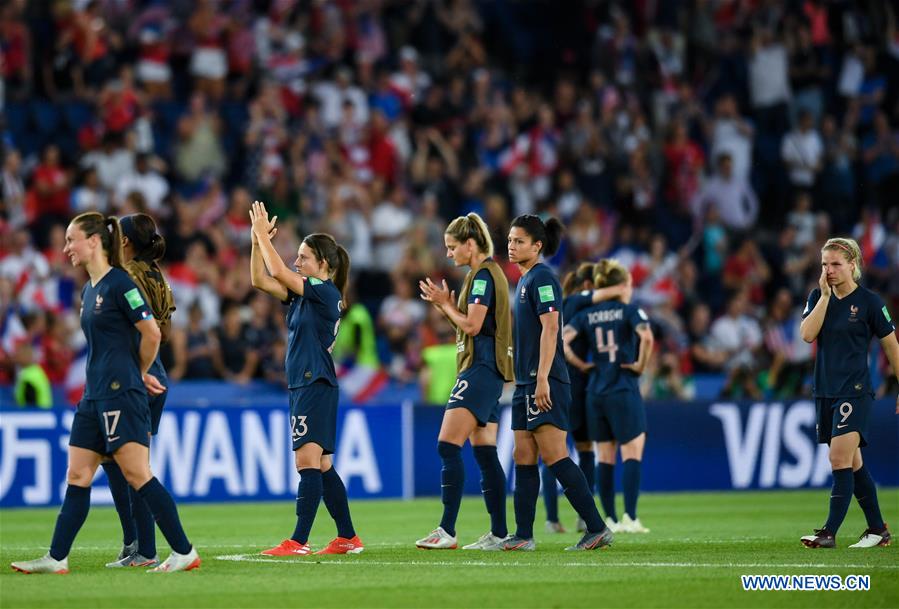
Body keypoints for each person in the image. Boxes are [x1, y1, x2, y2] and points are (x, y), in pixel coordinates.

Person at [11, 212, 199, 574]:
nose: (66, 247)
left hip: (119, 393)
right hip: (93, 394)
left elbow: (153, 333)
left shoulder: (120, 284)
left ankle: (183, 550)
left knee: (137, 475)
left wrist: (139, 372)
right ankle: (56, 557)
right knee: (78, 475)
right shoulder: (90, 288)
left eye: (71, 239)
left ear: (94, 242)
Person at [249, 200, 363, 556]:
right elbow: (259, 279)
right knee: (323, 464)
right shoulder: (305, 297)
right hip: (306, 382)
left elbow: (279, 272)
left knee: (306, 462)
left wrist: (264, 239)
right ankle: (347, 537)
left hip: (314, 382)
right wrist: (256, 242)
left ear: (324, 265)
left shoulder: (326, 293)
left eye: (304, 257)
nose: (297, 263)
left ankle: (298, 541)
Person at [501, 214, 612, 551]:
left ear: (537, 245)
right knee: (523, 456)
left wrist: (543, 378)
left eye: (519, 241)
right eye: (509, 239)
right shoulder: (524, 280)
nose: (511, 245)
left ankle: (596, 527)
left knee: (554, 456)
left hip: (542, 380)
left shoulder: (544, 278)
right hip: (524, 383)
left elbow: (552, 329)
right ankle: (523, 534)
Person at [415, 213, 514, 551]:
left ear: (470, 244)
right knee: (486, 455)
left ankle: (447, 530)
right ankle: (500, 534)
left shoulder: (483, 276)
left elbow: (472, 326)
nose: (448, 254)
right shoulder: (485, 274)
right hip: (491, 370)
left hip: (481, 368)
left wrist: (444, 305)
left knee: (447, 445)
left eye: (452, 247)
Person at [798, 237, 898, 548]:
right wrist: (826, 297)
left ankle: (828, 532)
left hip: (854, 392)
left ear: (852, 265)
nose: (829, 270)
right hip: (825, 391)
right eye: (825, 264)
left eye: (836, 264)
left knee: (838, 457)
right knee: (854, 464)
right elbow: (806, 335)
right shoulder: (818, 297)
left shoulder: (870, 303)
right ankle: (877, 529)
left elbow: (892, 347)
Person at [102, 213, 177, 568]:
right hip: (154, 371)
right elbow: (164, 329)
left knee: (132, 465)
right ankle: (135, 540)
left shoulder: (127, 276)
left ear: (126, 241)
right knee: (113, 459)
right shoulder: (157, 276)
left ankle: (144, 547)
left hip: (138, 373)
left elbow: (134, 329)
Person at [562, 259, 655, 535]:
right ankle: (631, 517)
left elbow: (564, 340)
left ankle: (610, 519)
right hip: (623, 387)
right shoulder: (630, 310)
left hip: (595, 391)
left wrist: (581, 365)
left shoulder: (586, 314)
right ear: (622, 285)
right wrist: (639, 365)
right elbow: (647, 337)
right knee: (632, 450)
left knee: (605, 456)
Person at [542, 263, 625, 534]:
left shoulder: (558, 305)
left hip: (556, 382)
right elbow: (609, 293)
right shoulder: (577, 301)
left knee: (552, 453)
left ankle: (552, 518)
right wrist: (623, 286)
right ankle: (581, 517)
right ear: (588, 286)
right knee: (583, 451)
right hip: (574, 386)